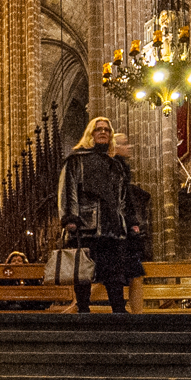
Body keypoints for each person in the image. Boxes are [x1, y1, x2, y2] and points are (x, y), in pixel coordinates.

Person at [58, 116, 140, 313]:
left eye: (106, 129)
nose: (103, 132)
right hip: (87, 226)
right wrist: (70, 218)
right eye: (98, 129)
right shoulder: (77, 159)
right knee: (85, 273)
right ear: (90, 134)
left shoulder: (116, 164)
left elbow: (124, 197)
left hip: (113, 226)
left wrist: (131, 221)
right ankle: (84, 310)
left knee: (115, 273)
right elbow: (69, 190)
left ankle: (118, 310)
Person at [114, 132, 148, 313]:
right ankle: (73, 309)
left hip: (125, 231)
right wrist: (130, 222)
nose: (129, 147)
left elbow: (126, 200)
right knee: (112, 277)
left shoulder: (122, 168)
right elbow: (119, 201)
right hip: (119, 232)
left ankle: (138, 315)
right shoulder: (114, 167)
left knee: (135, 274)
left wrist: (133, 222)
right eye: (124, 144)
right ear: (116, 147)